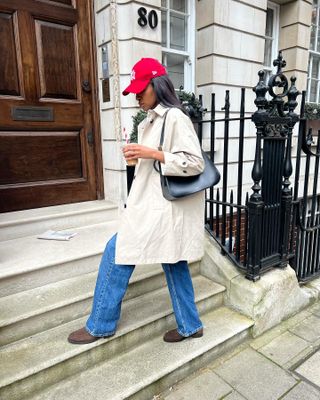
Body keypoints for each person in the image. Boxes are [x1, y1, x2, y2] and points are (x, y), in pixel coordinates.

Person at [68, 58, 205, 345]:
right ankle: (190, 325)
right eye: (135, 92)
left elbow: (194, 163)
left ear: (157, 85)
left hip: (163, 208)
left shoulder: (175, 117)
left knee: (117, 250)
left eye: (142, 90)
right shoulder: (149, 121)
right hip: (154, 204)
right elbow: (153, 164)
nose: (137, 97)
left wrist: (152, 153)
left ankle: (101, 324)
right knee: (173, 261)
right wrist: (136, 159)